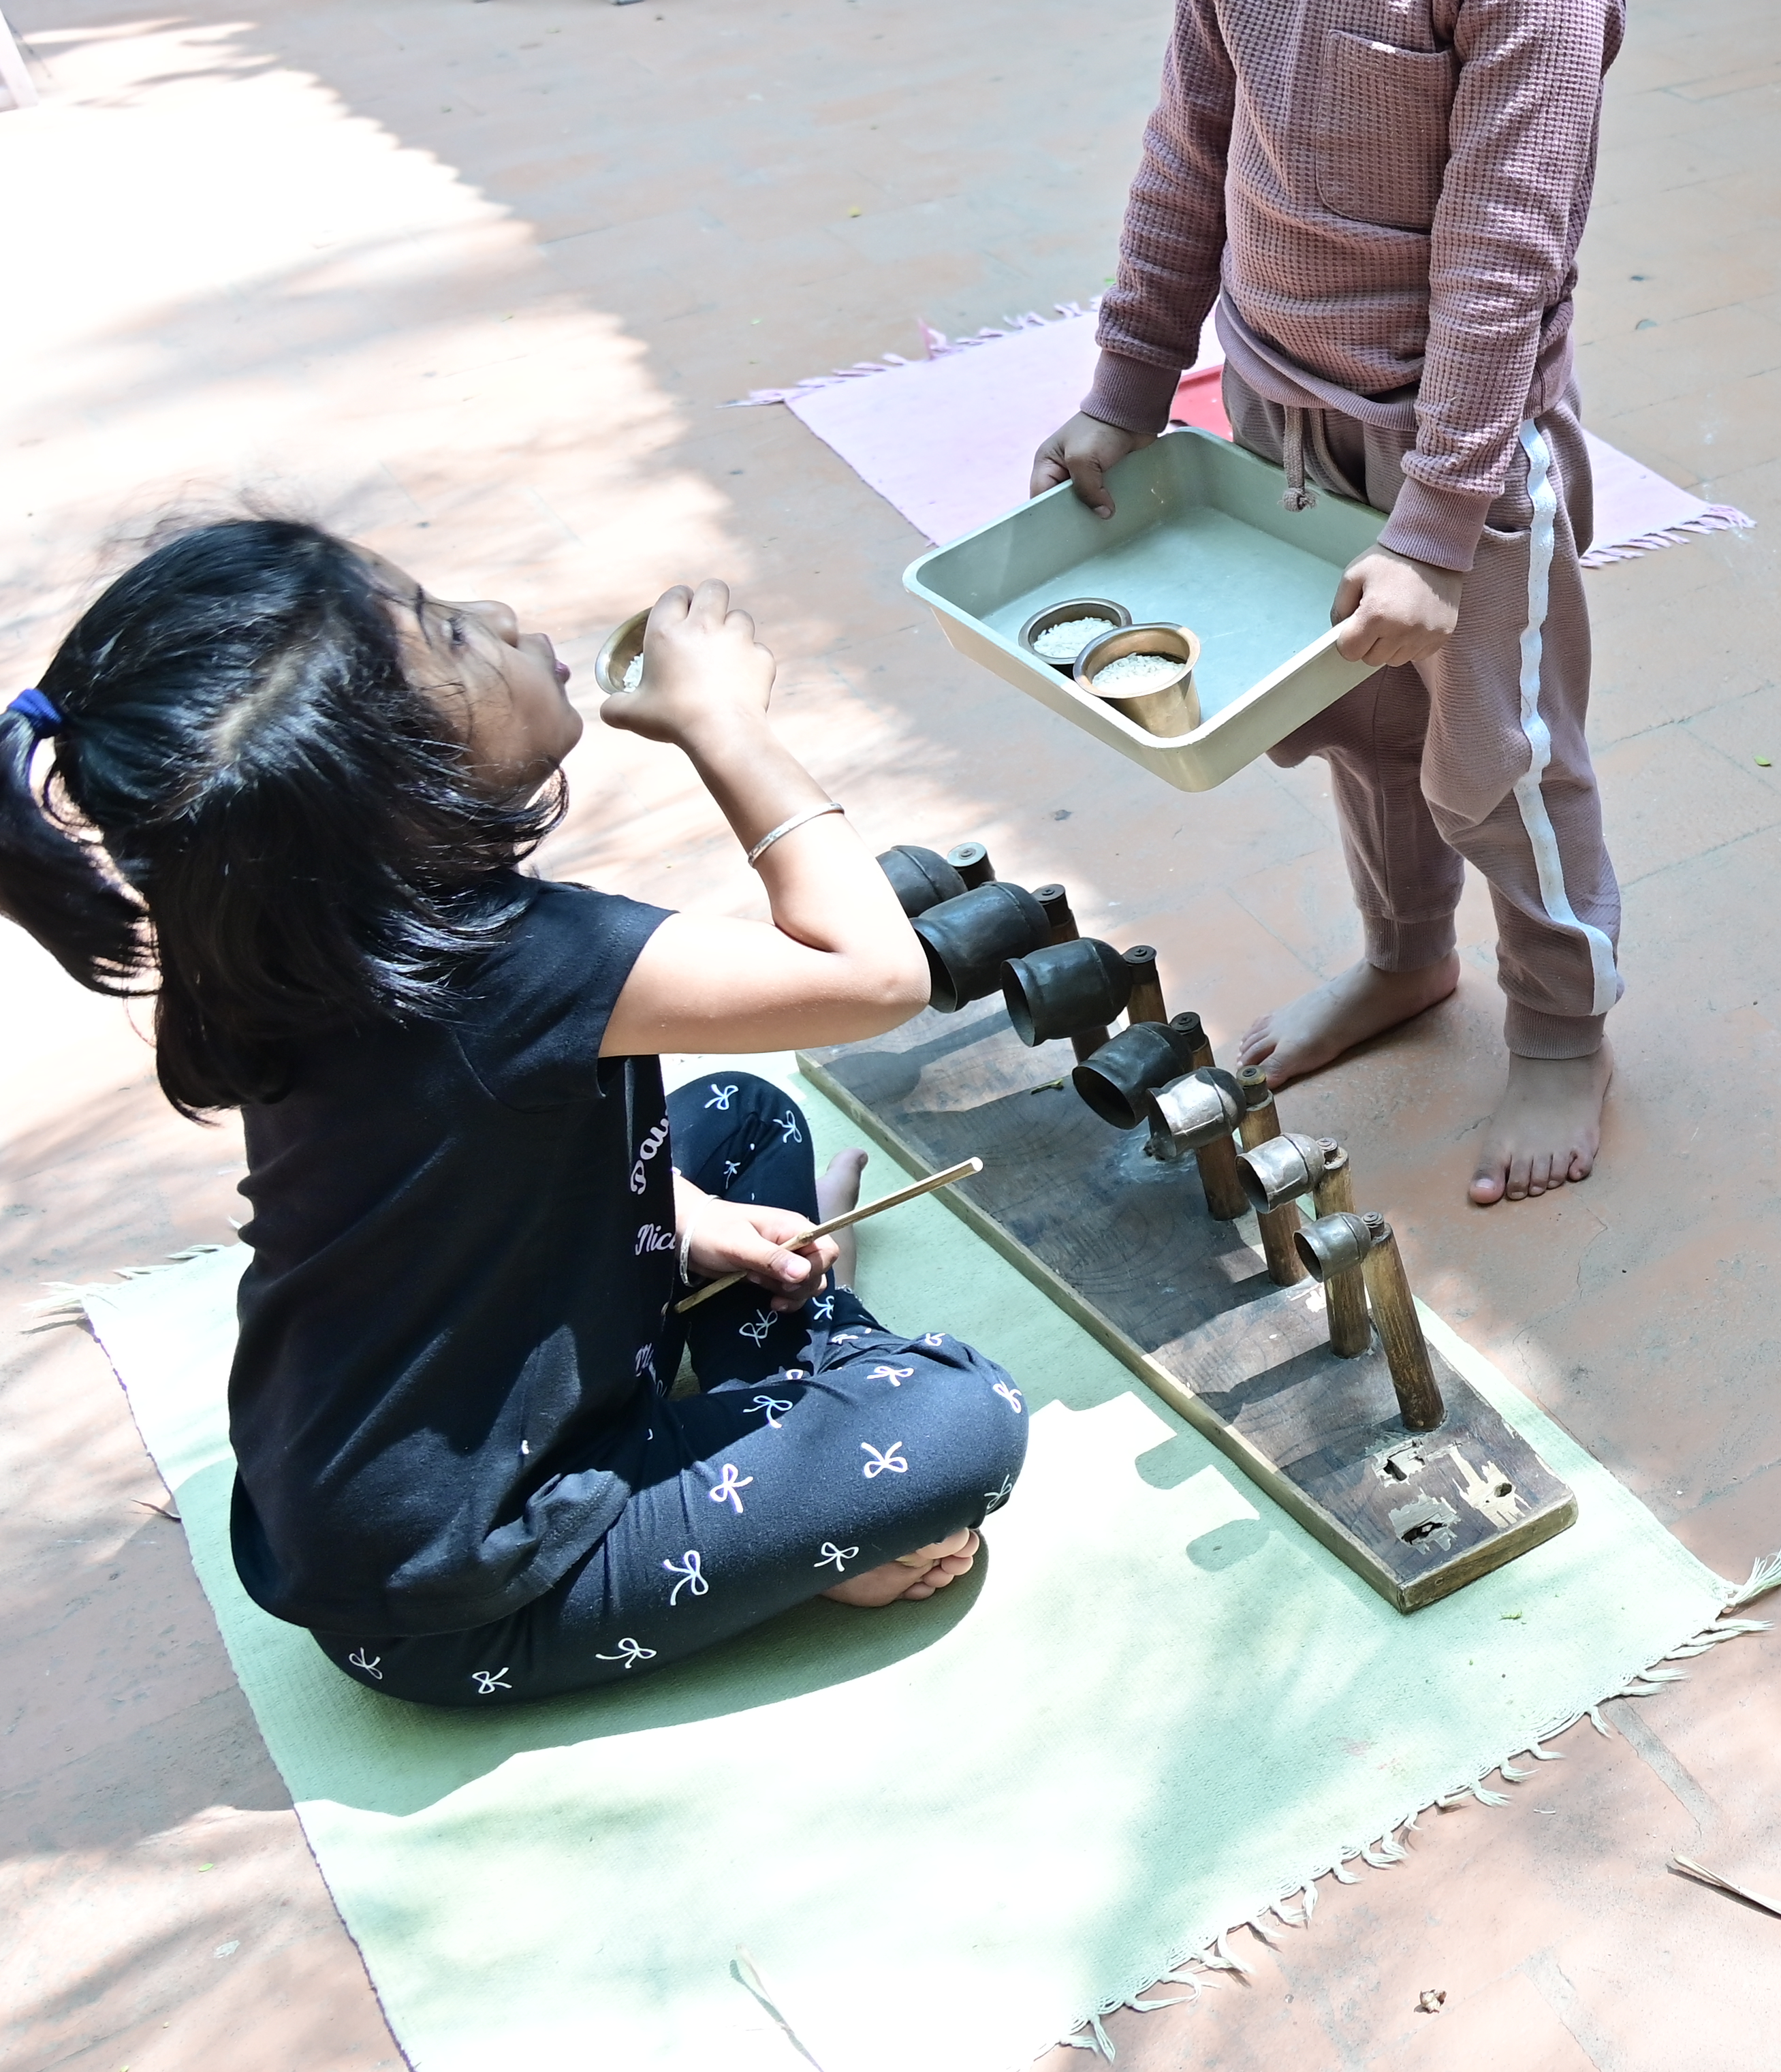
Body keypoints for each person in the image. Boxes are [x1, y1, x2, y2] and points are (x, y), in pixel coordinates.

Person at [0, 529, 1024, 1704]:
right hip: (461, 1584)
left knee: (739, 1117)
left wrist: (680, 1218)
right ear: (394, 791)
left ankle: (776, 1349)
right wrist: (727, 726)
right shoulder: (531, 962)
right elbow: (875, 975)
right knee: (964, 1421)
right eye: (443, 628)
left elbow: (453, 1163)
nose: (491, 609)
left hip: (408, 1444)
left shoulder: (295, 937)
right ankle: (814, 1371)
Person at [1033, 0, 1628, 1208]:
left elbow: (1502, 275)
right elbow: (1186, 158)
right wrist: (1134, 385)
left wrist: (1442, 529)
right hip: (1283, 437)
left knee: (1496, 763)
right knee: (1364, 743)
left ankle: (1557, 1024)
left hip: (1466, 473)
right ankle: (1403, 953)